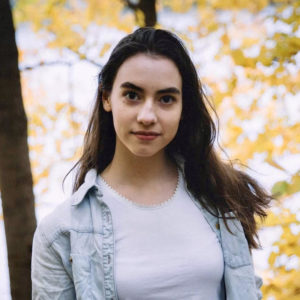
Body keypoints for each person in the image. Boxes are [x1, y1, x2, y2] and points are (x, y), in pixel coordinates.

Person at [31, 27, 271, 300]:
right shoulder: (61, 233)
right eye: (132, 95)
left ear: (183, 109)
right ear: (107, 97)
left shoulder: (221, 196)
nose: (147, 115)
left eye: (166, 99)